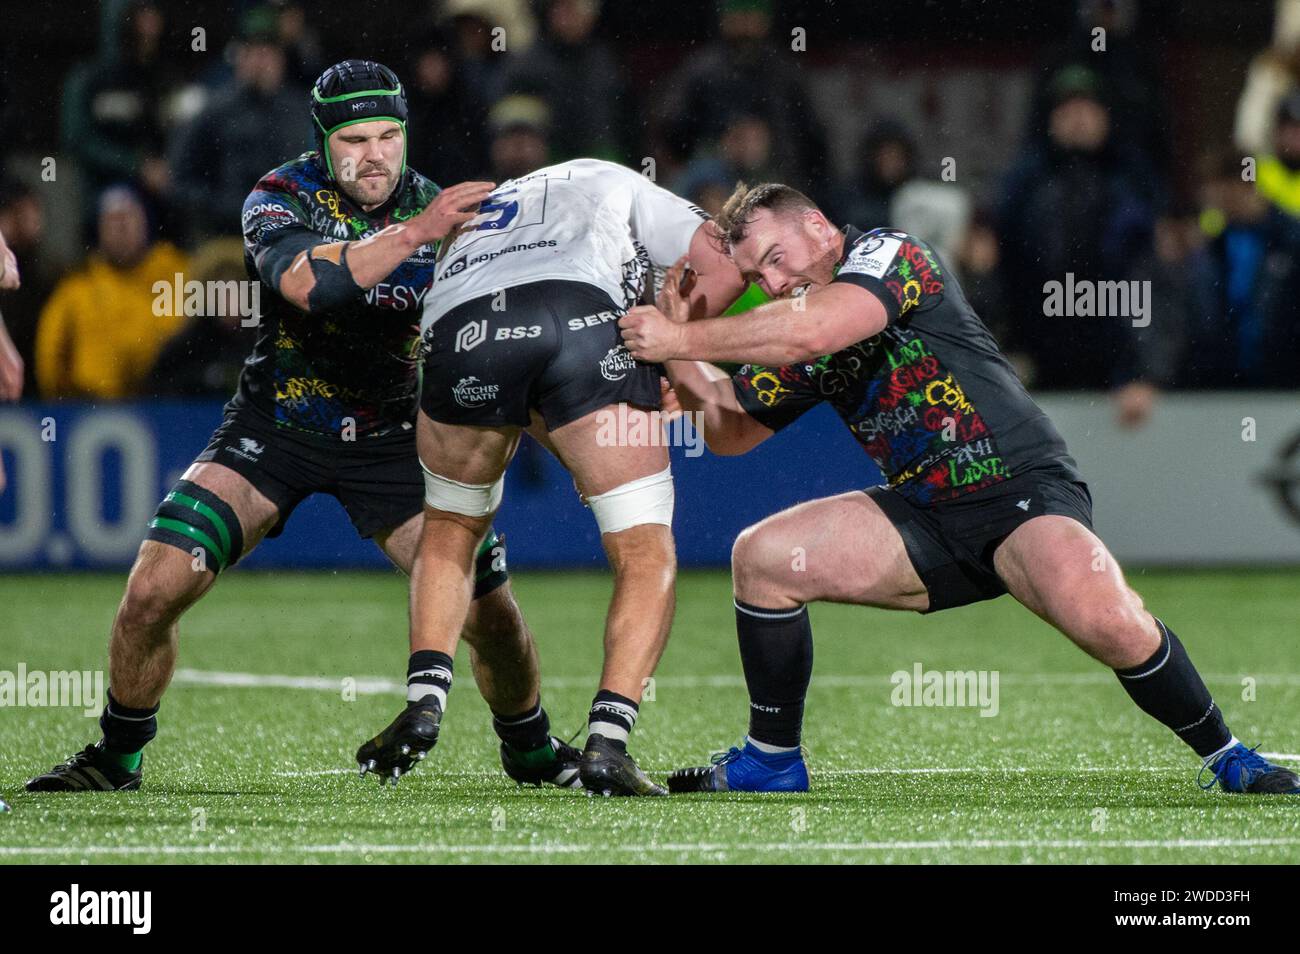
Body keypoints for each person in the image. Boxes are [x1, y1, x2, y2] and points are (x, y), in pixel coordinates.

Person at [618, 182, 1300, 797]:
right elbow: (733, 432)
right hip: (924, 514)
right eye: (755, 273)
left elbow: (816, 330)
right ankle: (772, 761)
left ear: (821, 228)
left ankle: (1230, 756)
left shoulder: (890, 254)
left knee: (1108, 623)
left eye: (773, 256)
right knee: (762, 560)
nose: (769, 280)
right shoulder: (790, 324)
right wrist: (679, 357)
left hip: (1018, 491)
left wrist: (683, 332)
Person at [26, 60, 579, 794]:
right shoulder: (280, 197)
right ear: (323, 142)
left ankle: (534, 754)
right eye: (355, 138)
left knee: (496, 618)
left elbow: (505, 338)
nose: (376, 153)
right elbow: (308, 286)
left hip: (396, 441)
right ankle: (116, 759)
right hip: (275, 428)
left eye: (389, 135)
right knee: (153, 589)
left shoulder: (449, 214)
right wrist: (418, 235)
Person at [355, 158, 745, 796]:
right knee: (643, 549)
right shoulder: (611, 176)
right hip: (579, 320)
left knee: (453, 526)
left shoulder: (482, 208)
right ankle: (608, 742)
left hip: (461, 335)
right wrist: (680, 347)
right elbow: (720, 258)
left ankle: (425, 698)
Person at [35, 186, 189, 399]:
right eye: (113, 220)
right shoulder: (77, 289)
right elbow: (50, 357)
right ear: (99, 229)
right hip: (91, 405)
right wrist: (62, 402)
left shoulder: (178, 276)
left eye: (129, 217)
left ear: (146, 223)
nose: (122, 227)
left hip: (167, 400)